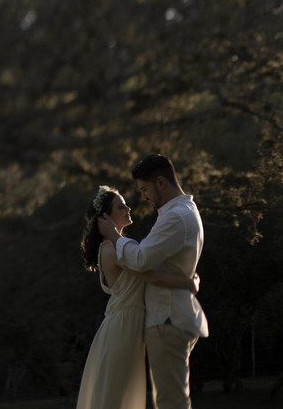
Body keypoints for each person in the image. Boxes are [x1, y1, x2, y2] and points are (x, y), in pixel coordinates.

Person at [97, 155, 209, 409]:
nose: (143, 197)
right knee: (170, 398)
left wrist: (113, 235)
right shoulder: (182, 212)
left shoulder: (176, 216)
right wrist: (187, 284)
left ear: (161, 182)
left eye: (145, 189)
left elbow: (141, 258)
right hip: (171, 316)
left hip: (167, 318)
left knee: (171, 401)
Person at [77, 185, 199, 409]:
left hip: (130, 324)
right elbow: (151, 276)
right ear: (105, 217)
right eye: (120, 206)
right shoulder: (112, 248)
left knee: (125, 395)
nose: (128, 208)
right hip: (122, 326)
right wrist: (189, 283)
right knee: (117, 395)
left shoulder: (121, 247)